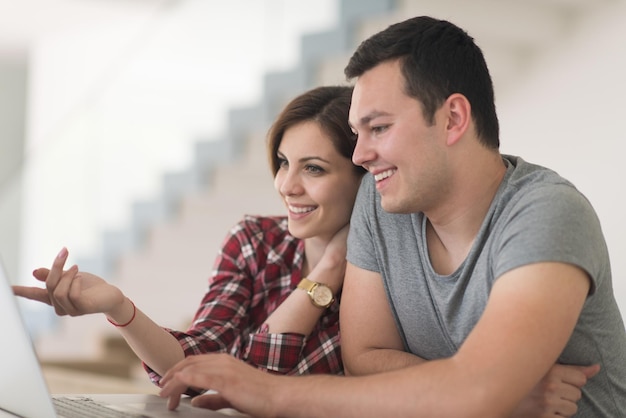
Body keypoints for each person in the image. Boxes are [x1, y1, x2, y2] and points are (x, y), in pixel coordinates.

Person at [157, 16, 626, 417]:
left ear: (453, 119)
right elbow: (365, 358)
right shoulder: (383, 205)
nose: (360, 155)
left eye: (378, 128)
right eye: (358, 133)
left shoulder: (546, 212)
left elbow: (481, 390)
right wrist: (485, 394)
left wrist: (271, 393)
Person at [13, 86, 366, 385]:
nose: (287, 186)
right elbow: (195, 361)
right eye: (284, 162)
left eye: (314, 169)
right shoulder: (255, 240)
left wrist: (334, 266)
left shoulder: (383, 277)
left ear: (363, 178)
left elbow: (256, 379)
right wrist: (117, 307)